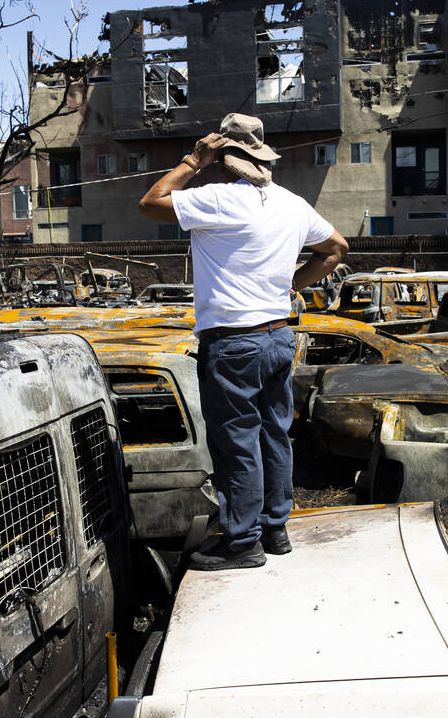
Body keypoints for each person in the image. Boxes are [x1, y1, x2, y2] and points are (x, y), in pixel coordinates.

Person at [138, 113, 348, 571]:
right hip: (277, 336)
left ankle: (242, 542)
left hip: (234, 343)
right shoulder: (292, 203)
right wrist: (295, 283)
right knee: (275, 435)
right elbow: (336, 249)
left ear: (224, 158)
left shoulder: (216, 198)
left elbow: (151, 202)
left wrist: (193, 159)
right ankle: (275, 528)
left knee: (236, 441)